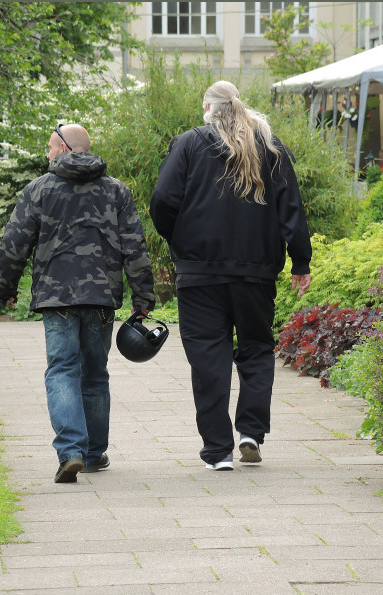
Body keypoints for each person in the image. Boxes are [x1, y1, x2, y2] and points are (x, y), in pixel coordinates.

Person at [150, 81, 312, 471]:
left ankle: (218, 450)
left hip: (200, 273)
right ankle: (251, 432)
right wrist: (300, 261)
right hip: (256, 273)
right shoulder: (270, 148)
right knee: (256, 349)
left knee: (208, 357)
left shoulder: (189, 143)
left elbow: (162, 202)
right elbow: (291, 208)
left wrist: (181, 238)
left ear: (207, 107)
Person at [0, 124, 156, 483]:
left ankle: (70, 451)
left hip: (56, 299)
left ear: (66, 148)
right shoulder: (117, 191)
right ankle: (95, 453)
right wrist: (143, 297)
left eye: (51, 147)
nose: (47, 154)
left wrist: (5, 288)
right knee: (95, 374)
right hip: (100, 298)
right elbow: (135, 247)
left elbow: (14, 243)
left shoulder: (39, 189)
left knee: (63, 370)